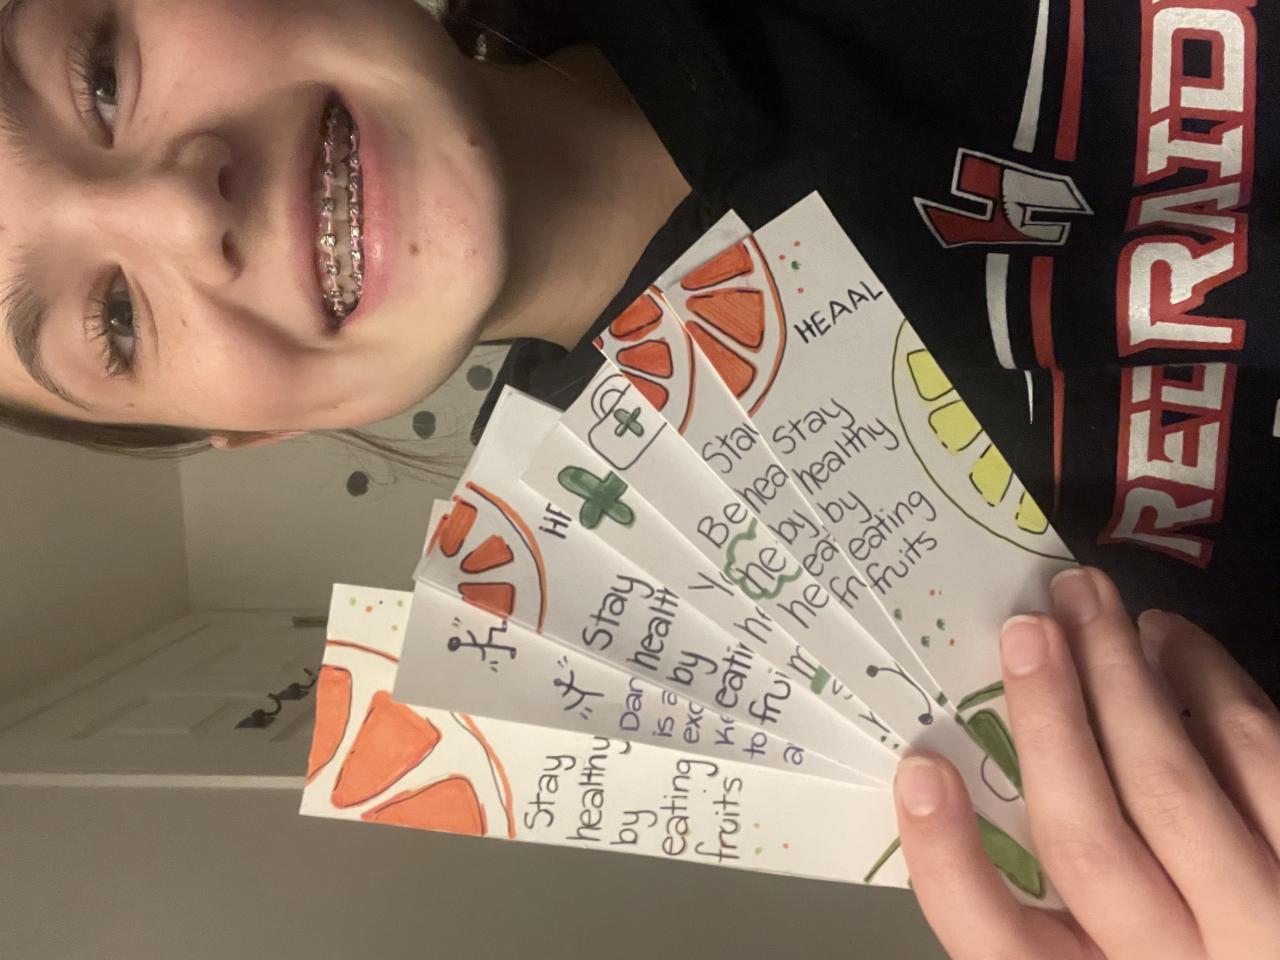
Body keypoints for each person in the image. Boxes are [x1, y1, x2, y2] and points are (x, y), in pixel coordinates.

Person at [0, 0, 1274, 953]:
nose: (181, 212)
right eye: (114, 321)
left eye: (99, 74)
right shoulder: (708, 648)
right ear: (244, 431)